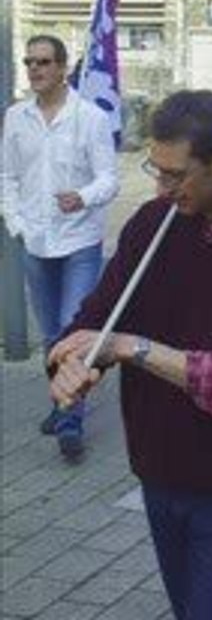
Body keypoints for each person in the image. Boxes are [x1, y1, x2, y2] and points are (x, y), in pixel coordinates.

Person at [46, 90, 212, 619]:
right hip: (158, 463)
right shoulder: (153, 223)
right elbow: (97, 317)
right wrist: (71, 361)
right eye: (156, 170)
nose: (161, 188)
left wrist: (131, 348)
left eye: (175, 175)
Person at [0, 34, 118, 460]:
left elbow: (109, 179)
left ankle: (70, 420)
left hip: (79, 241)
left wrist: (82, 197)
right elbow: (7, 177)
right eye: (29, 62)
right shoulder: (16, 117)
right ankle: (59, 400)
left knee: (73, 329)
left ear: (63, 68)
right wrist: (17, 225)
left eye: (44, 62)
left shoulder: (90, 118)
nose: (34, 69)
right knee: (52, 334)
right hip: (35, 242)